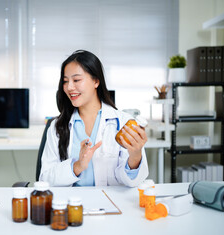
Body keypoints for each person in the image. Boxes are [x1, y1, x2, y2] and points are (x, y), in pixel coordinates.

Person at [39, 50, 148, 187]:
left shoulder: (122, 123)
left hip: (110, 203)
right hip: (71, 205)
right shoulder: (57, 126)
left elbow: (132, 182)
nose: (69, 87)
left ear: (96, 81)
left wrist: (135, 156)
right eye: (66, 81)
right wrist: (77, 166)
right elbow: (44, 179)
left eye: (76, 80)